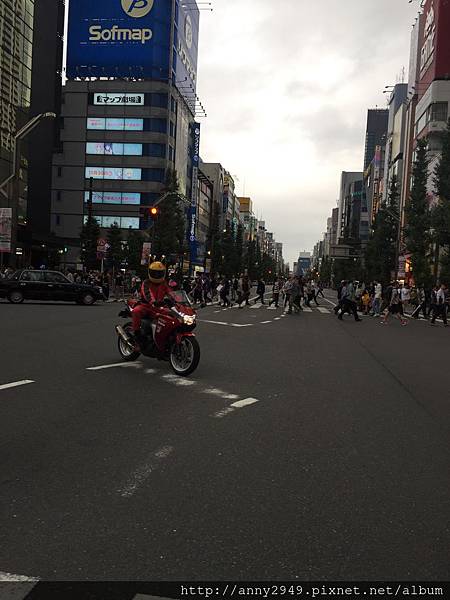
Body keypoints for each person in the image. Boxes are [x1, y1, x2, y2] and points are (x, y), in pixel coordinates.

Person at [131, 262, 173, 350]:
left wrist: (179, 301)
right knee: (136, 311)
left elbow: (171, 293)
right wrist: (153, 302)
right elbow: (147, 294)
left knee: (172, 315)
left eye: (159, 273)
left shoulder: (164, 283)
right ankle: (137, 337)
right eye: (155, 273)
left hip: (159, 308)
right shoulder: (146, 282)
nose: (157, 275)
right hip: (146, 306)